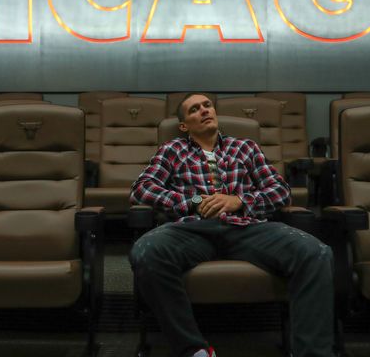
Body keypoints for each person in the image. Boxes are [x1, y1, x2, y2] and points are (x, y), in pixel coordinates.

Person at [129, 93, 334, 357]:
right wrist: (192, 201)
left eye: (207, 106)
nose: (204, 110)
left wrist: (239, 201)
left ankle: (311, 353)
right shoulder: (172, 150)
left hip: (247, 227)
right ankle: (194, 350)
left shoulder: (245, 147)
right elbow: (141, 189)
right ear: (184, 126)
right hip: (193, 229)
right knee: (146, 252)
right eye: (194, 109)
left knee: (316, 253)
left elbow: (281, 191)